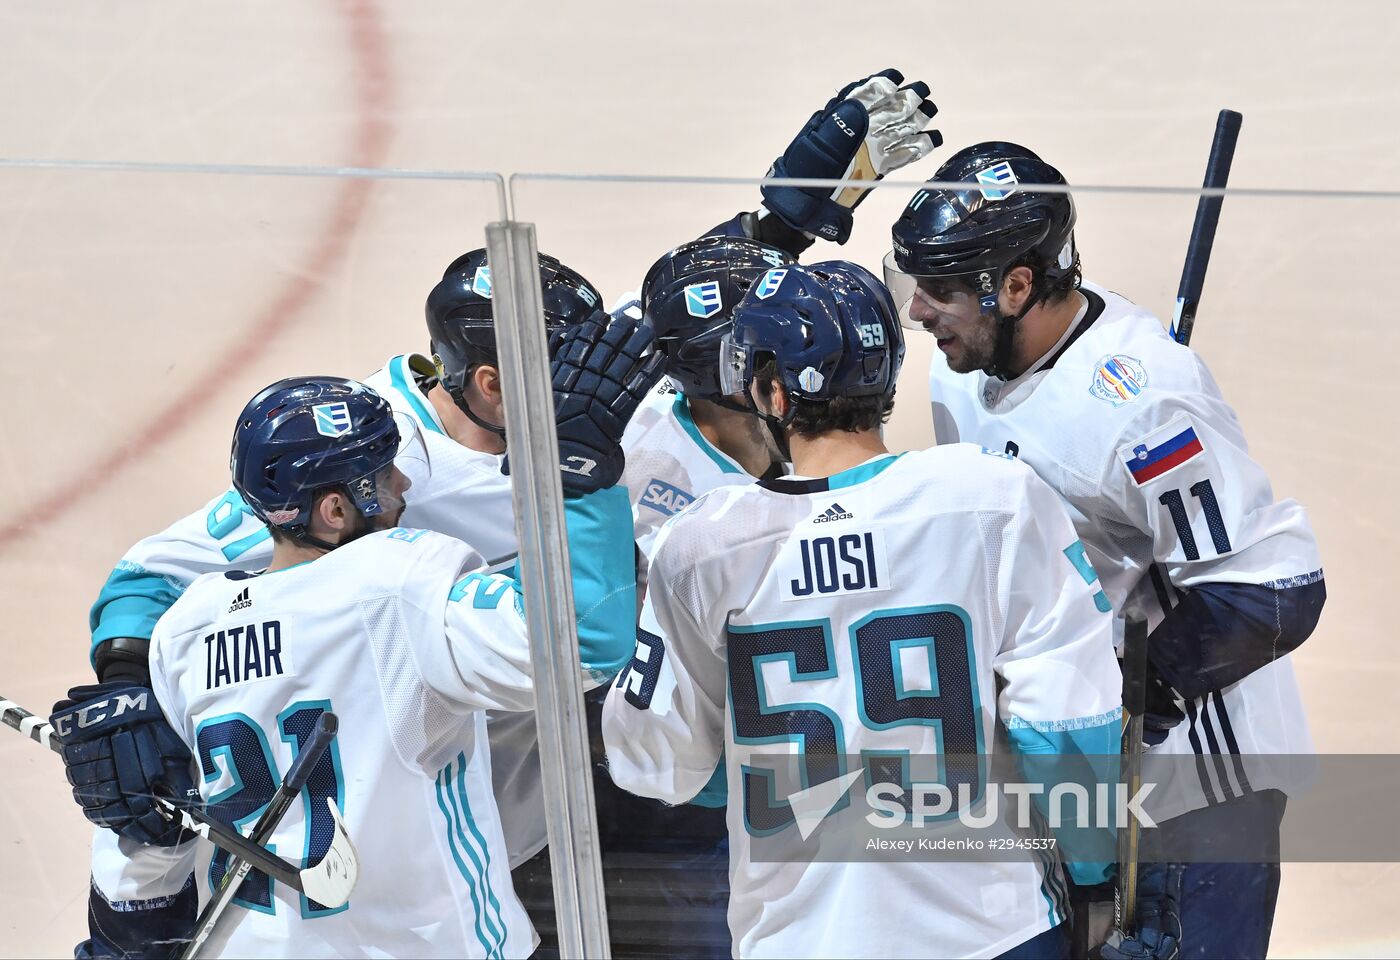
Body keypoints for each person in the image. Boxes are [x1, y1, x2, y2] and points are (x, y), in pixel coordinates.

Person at [51, 308, 660, 957]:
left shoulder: (185, 629)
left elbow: (141, 865)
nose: (401, 485)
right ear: (335, 509)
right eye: (383, 472)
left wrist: (120, 942)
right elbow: (582, 644)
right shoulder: (403, 579)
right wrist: (585, 472)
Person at [601, 261, 1124, 959]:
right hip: (993, 928)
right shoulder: (991, 496)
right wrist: (1096, 884)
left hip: (799, 937)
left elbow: (656, 764)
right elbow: (1063, 727)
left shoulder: (700, 542)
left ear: (768, 389)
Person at [884, 141, 1327, 959]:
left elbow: (1274, 590)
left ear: (1017, 285)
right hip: (1075, 773)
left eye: (940, 289)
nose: (917, 311)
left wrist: (1134, 692)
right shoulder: (962, 369)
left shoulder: (1145, 403)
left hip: (1193, 792)